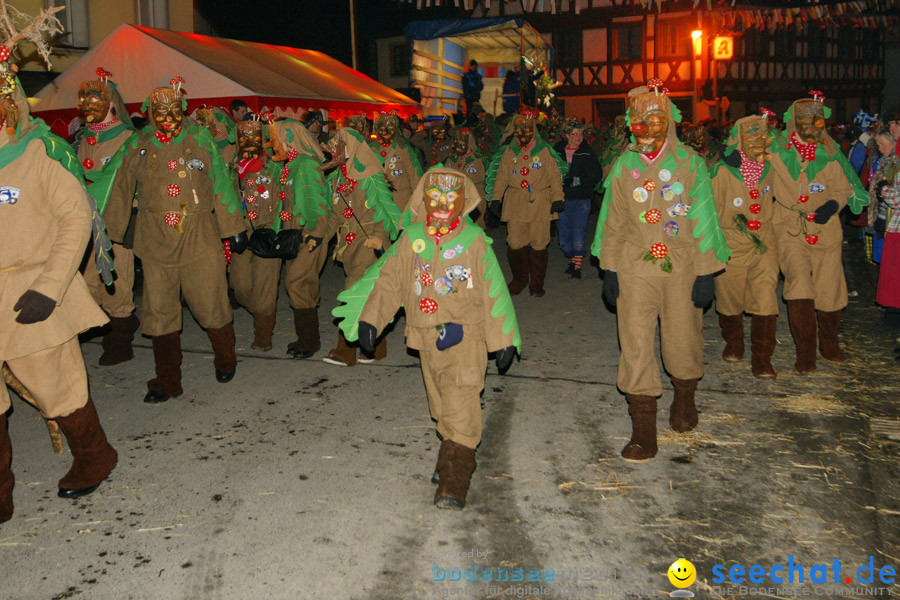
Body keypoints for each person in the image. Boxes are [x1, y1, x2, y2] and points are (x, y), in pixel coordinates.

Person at [332, 167, 520, 509]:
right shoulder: (412, 238)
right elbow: (390, 282)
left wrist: (503, 338)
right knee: (440, 404)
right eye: (435, 198)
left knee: (462, 402)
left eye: (451, 199)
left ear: (463, 202)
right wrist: (372, 319)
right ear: (424, 200)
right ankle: (450, 448)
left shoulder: (475, 240)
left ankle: (454, 477)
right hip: (423, 336)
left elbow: (494, 291)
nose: (443, 205)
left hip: (467, 335)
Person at [1, 39, 118, 523]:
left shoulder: (38, 151)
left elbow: (76, 218)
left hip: (30, 292)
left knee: (59, 387)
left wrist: (50, 287)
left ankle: (94, 455)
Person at [591, 82, 731, 462]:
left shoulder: (690, 164)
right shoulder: (624, 165)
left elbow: (704, 218)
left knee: (682, 339)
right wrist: (611, 267)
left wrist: (706, 272)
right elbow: (614, 220)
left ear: (668, 122)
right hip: (635, 266)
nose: (647, 130)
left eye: (655, 121)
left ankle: (685, 397)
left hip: (682, 265)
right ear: (630, 125)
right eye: (639, 122)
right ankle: (643, 429)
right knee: (634, 342)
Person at [94, 78, 247, 403]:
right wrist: (110, 231)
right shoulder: (138, 143)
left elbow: (220, 180)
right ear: (150, 112)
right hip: (156, 239)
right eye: (159, 111)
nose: (166, 116)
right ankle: (167, 379)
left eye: (172, 110)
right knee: (159, 311)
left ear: (182, 109)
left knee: (211, 302)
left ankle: (225, 358)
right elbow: (121, 186)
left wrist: (234, 226)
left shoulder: (200, 138)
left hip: (199, 235)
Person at [770, 91, 868, 373]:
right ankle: (805, 351)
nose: (811, 129)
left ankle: (829, 342)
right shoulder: (777, 151)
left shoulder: (831, 153)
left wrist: (833, 205)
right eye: (805, 124)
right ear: (794, 124)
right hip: (790, 227)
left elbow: (843, 187)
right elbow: (751, 158)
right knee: (799, 282)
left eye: (816, 123)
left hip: (825, 230)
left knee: (829, 288)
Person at [309, 126, 402, 366]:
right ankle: (377, 347)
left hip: (368, 243)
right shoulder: (340, 178)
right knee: (370, 297)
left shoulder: (371, 177)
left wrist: (380, 237)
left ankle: (345, 350)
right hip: (349, 246)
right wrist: (320, 235)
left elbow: (384, 209)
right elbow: (336, 215)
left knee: (351, 295)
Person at [75, 67, 140, 366]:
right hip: (83, 221)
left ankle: (120, 337)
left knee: (116, 279)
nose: (88, 106)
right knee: (85, 278)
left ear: (110, 104)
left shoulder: (129, 138)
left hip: (117, 220)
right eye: (84, 100)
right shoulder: (82, 139)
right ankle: (93, 324)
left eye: (95, 100)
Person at [710, 113, 780, 377]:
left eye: (761, 136)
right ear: (738, 140)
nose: (757, 142)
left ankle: (762, 358)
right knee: (729, 300)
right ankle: (734, 341)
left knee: (766, 298)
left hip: (764, 241)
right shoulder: (722, 171)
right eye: (750, 137)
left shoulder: (772, 166)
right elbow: (711, 211)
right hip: (732, 244)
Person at [485, 109, 566, 297]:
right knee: (514, 242)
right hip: (515, 202)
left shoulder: (544, 151)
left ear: (533, 130)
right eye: (519, 129)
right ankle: (519, 280)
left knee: (539, 242)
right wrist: (495, 198)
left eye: (526, 129)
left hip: (540, 202)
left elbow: (554, 176)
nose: (522, 133)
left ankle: (537, 283)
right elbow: (502, 176)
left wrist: (558, 198)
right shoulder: (509, 151)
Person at [227, 118, 292, 351]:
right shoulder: (232, 169)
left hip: (268, 231)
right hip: (242, 233)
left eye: (255, 137)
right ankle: (262, 311)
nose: (250, 142)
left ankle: (263, 332)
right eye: (244, 138)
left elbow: (287, 197)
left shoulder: (274, 167)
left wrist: (281, 228)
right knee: (239, 284)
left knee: (265, 287)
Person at [553, 119, 602, 278]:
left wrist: (583, 180)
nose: (578, 136)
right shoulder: (557, 151)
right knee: (564, 234)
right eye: (574, 134)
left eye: (580, 133)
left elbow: (597, 174)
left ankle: (577, 266)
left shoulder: (587, 151)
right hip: (562, 197)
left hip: (581, 198)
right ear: (567, 135)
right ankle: (572, 257)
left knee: (578, 230)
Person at [368, 112, 423, 213]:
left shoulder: (404, 148)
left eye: (390, 127)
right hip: (378, 201)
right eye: (382, 127)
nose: (386, 131)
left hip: (400, 200)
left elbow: (415, 176)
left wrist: (418, 201)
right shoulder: (371, 149)